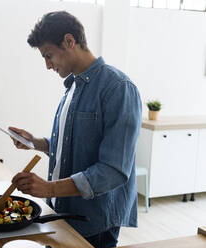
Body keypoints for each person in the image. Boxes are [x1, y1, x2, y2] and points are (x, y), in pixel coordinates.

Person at [9, 11, 142, 248]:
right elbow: (73, 146)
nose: (48, 65)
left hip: (94, 222)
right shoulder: (71, 87)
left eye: (48, 55)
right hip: (63, 212)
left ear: (70, 41)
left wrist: (48, 188)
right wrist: (36, 142)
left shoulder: (119, 88)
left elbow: (113, 170)